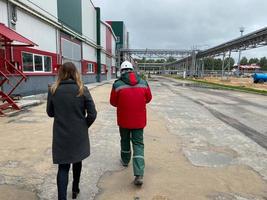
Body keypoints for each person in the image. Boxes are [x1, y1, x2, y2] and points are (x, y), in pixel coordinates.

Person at [46, 62, 97, 200]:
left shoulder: (53, 90)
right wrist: (83, 126)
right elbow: (92, 114)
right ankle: (75, 189)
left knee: (63, 168)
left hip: (61, 134)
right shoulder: (82, 89)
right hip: (78, 134)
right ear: (76, 73)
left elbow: (50, 113)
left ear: (61, 73)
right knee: (77, 160)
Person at [110, 60, 152, 186]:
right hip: (139, 121)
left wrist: (122, 104)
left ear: (122, 71)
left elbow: (113, 102)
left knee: (125, 140)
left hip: (123, 120)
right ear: (132, 70)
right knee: (138, 144)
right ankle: (139, 173)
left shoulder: (117, 84)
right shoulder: (143, 82)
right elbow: (149, 98)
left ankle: (125, 160)